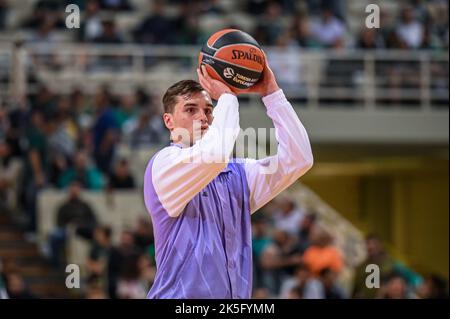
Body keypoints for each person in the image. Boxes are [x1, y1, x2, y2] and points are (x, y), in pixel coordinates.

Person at [143, 57, 313, 298]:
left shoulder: (237, 173)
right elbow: (215, 154)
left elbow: (299, 159)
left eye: (209, 110)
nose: (203, 117)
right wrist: (227, 96)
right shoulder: (164, 164)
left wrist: (272, 94)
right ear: (169, 121)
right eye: (191, 109)